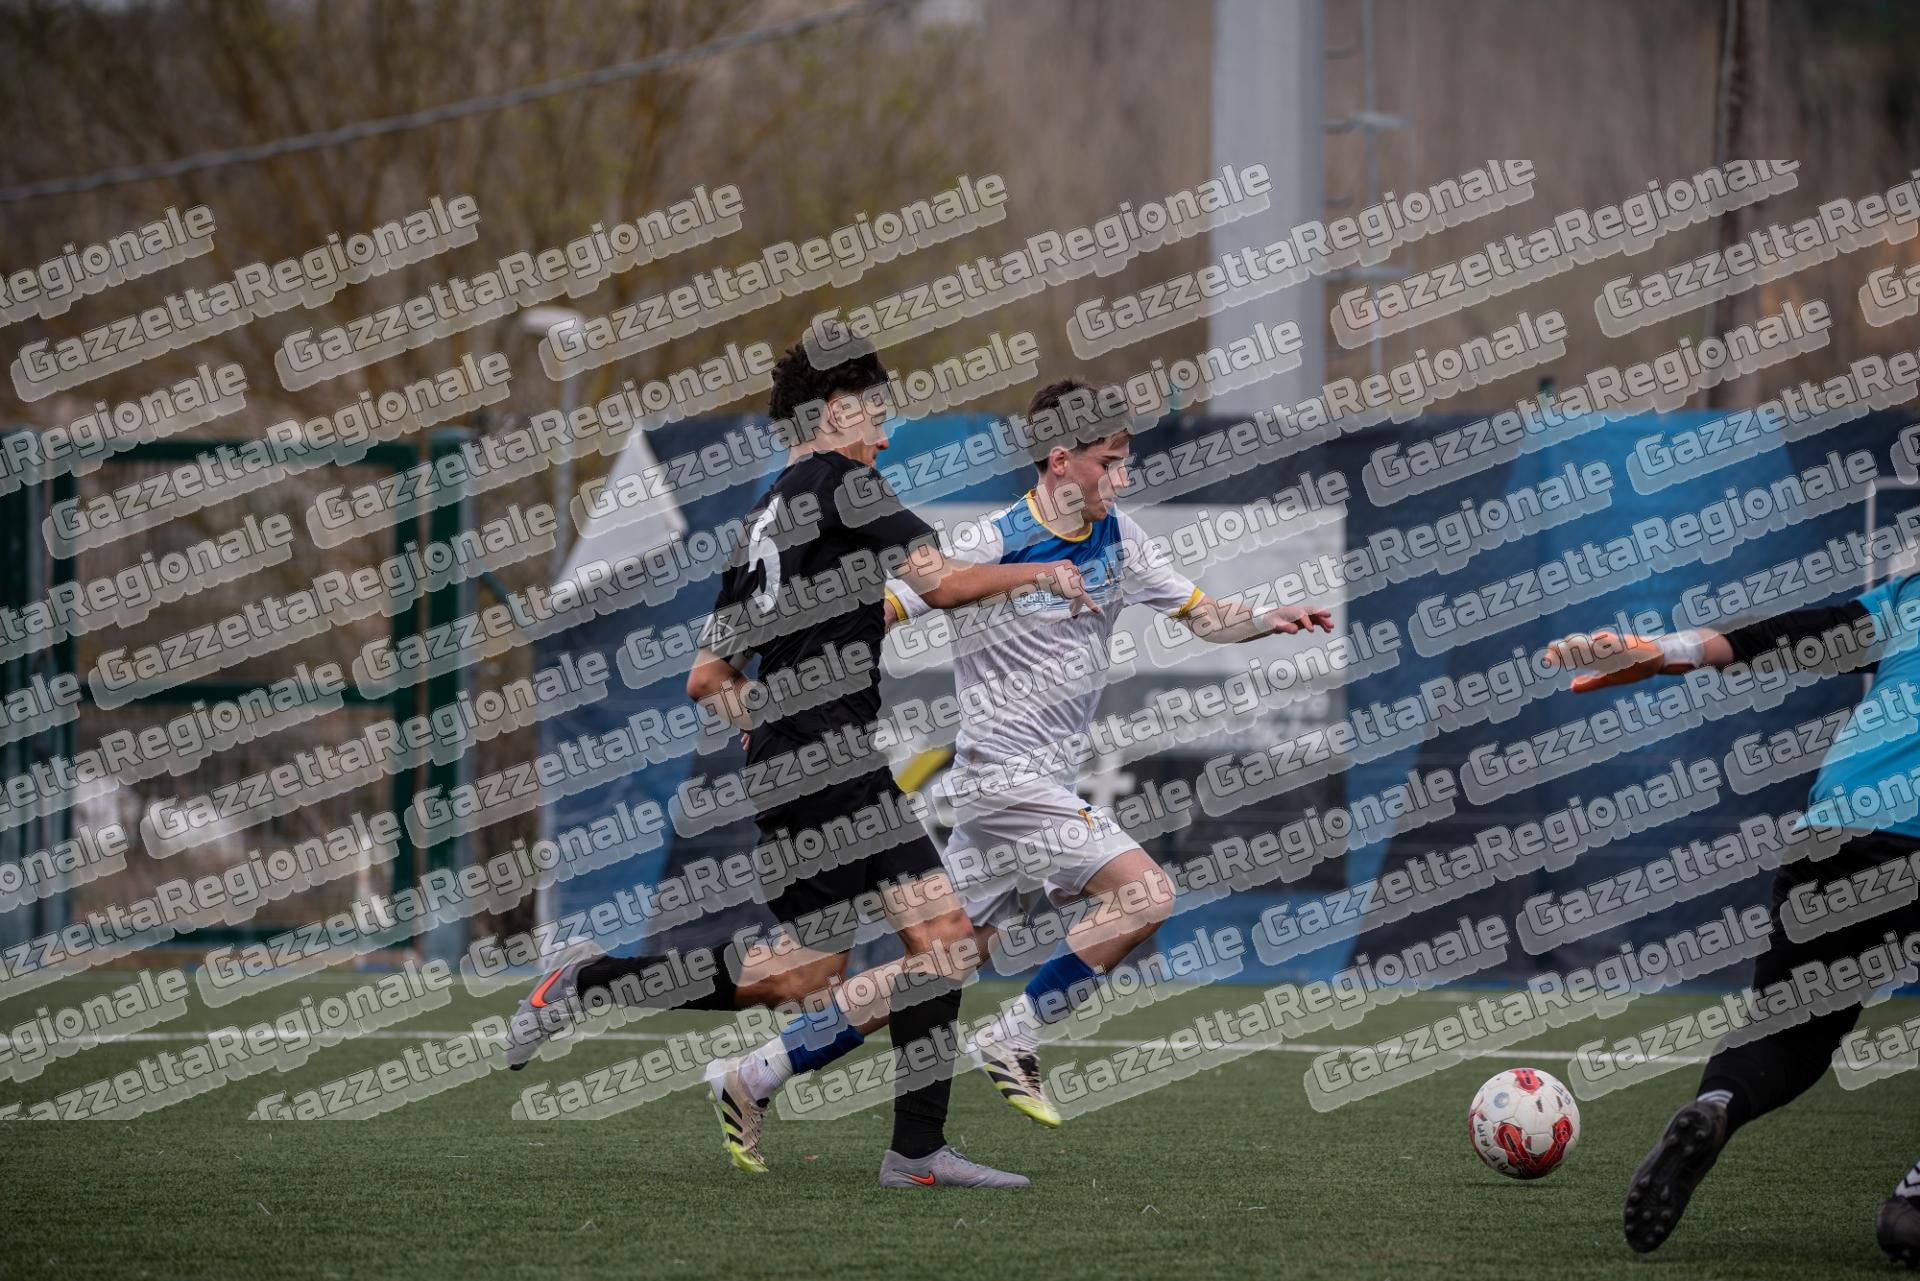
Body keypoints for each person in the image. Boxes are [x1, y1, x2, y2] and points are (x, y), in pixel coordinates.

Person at [505, 336, 1096, 1188]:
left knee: (865, 959)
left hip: (816, 755)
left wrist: (763, 724)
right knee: (868, 956)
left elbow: (706, 676)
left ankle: (914, 1150)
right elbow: (940, 582)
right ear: (835, 412)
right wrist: (1039, 576)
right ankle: (587, 983)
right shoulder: (846, 482)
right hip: (825, 757)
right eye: (876, 417)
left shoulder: (760, 517)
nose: (883, 437)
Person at [882, 377, 1333, 1128]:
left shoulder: (1120, 536)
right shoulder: (992, 540)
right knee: (1147, 895)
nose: (1121, 479)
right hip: (1004, 780)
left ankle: (758, 1071)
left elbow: (1203, 615)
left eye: (1125, 463)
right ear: (1061, 460)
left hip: (1024, 793)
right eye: (1109, 462)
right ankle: (1013, 1035)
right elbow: (894, 605)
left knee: (941, 960)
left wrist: (1265, 616)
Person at [1545, 575, 1920, 1253]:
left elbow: (1789, 635)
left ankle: (1715, 1106)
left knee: (1789, 1032)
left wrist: (1663, 651)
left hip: (1841, 822)